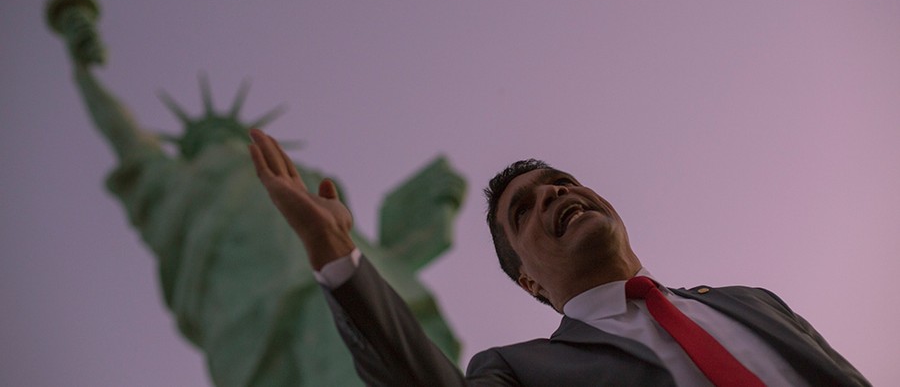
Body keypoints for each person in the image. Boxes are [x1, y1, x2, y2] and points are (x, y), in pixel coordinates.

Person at [249, 129, 870, 386]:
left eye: (561, 180)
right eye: (522, 210)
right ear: (526, 280)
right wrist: (336, 255)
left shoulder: (751, 303)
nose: (552, 192)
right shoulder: (518, 370)